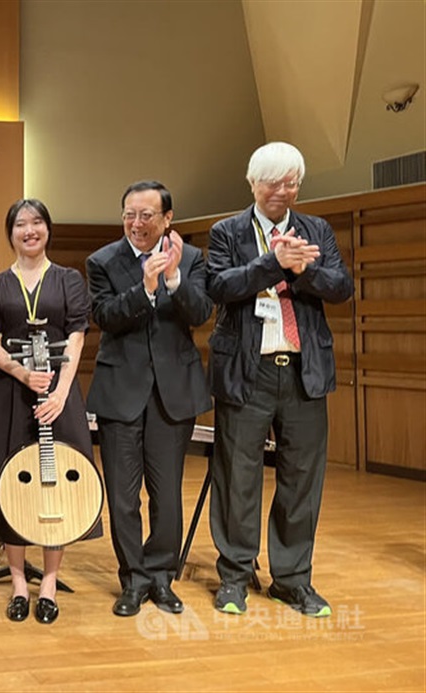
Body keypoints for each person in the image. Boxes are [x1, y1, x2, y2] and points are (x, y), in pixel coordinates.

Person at [206, 142, 353, 617]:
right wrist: (274, 263)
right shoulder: (227, 232)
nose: (282, 191)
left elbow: (342, 288)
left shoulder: (317, 230)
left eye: (291, 183)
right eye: (273, 182)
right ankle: (234, 575)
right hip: (246, 370)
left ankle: (292, 579)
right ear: (253, 184)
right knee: (237, 475)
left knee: (302, 478)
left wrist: (305, 269)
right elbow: (219, 286)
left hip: (304, 370)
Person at [86, 180, 213, 617]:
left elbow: (201, 313)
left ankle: (161, 576)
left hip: (172, 393)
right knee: (123, 496)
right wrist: (144, 287)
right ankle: (133, 580)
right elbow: (105, 316)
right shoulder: (102, 261)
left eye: (146, 215)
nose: (136, 224)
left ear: (167, 218)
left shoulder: (191, 258)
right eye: (129, 215)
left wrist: (174, 278)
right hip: (120, 391)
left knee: (167, 494)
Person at [0, 199, 100, 625]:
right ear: (10, 233)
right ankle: (18, 583)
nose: (30, 230)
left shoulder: (68, 279)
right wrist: (21, 373)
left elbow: (77, 335)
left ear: (48, 229)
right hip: (10, 391)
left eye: (37, 222)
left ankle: (49, 582)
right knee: (12, 482)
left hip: (59, 392)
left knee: (55, 480)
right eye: (21, 224)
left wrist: (61, 393)